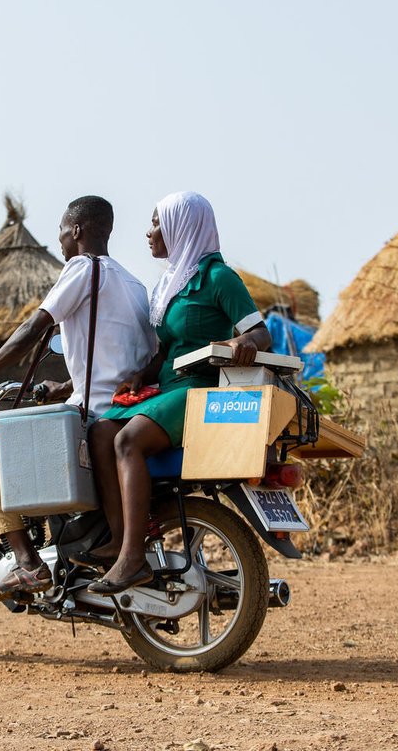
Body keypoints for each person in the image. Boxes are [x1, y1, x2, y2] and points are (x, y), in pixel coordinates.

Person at [0, 195, 155, 603]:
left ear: (76, 231)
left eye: (61, 231)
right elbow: (125, 356)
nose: (59, 241)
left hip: (90, 416)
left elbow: (34, 326)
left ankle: (28, 564)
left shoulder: (81, 268)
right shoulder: (133, 283)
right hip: (119, 408)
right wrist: (62, 387)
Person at [81, 191, 271, 594]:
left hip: (200, 389)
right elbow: (166, 349)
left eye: (157, 223)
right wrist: (139, 375)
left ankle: (134, 558)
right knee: (100, 433)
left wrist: (244, 344)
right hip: (167, 387)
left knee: (128, 440)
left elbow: (260, 332)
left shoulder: (218, 277)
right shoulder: (172, 282)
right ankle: (119, 539)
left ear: (181, 227)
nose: (149, 233)